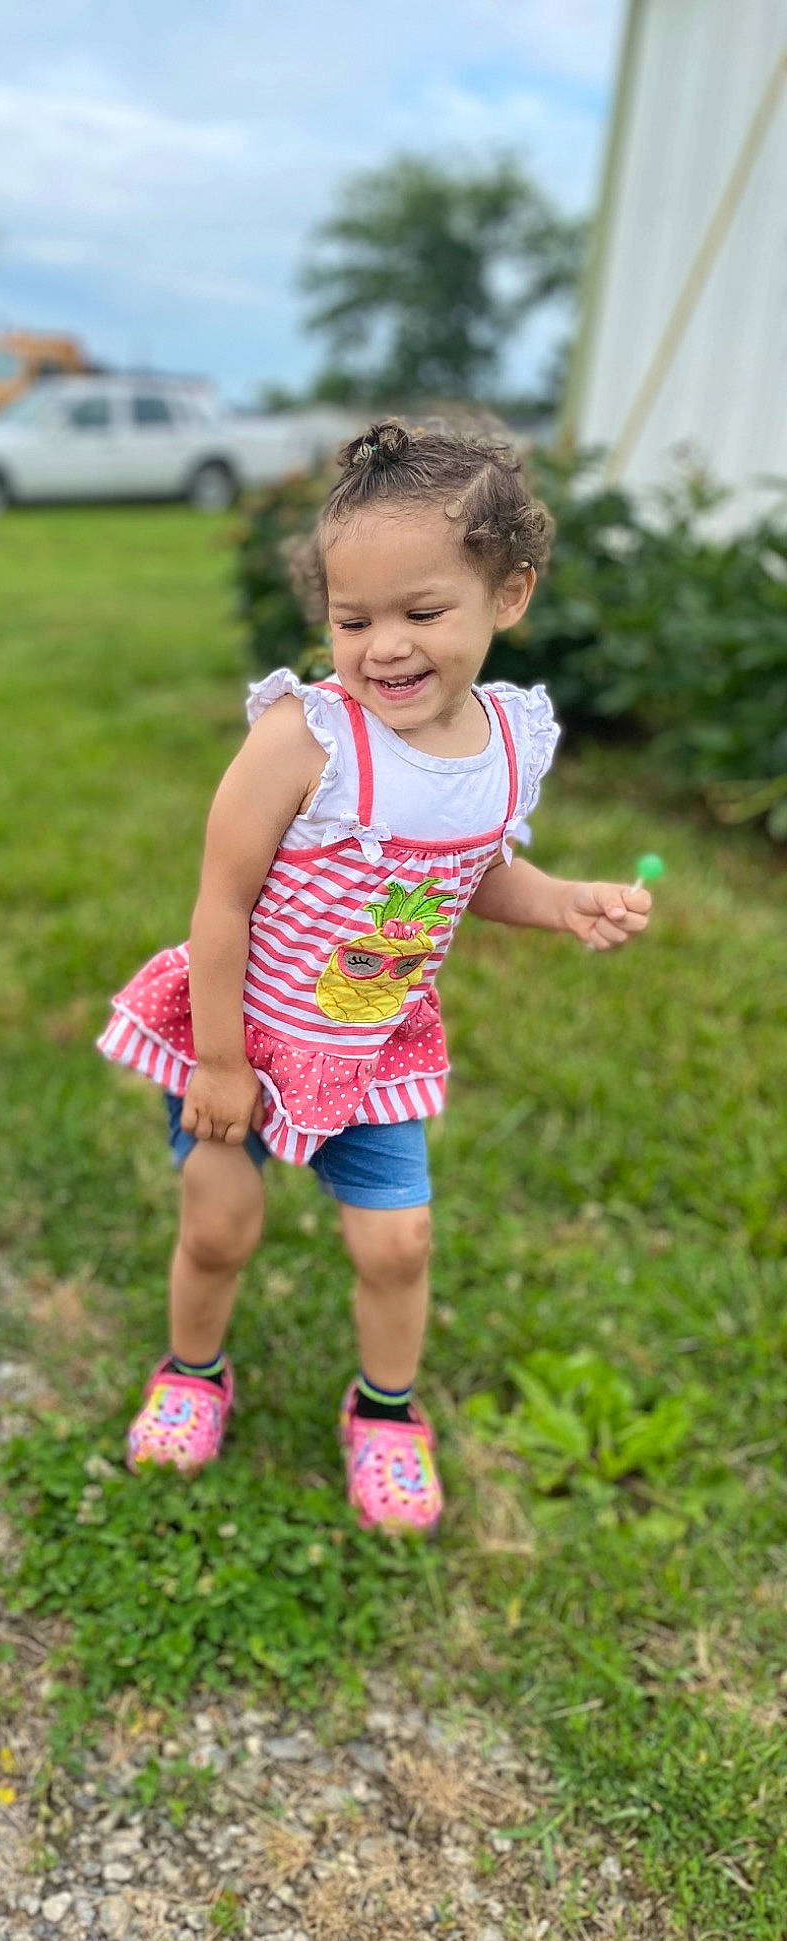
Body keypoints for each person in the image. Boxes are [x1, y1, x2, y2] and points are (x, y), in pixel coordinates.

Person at [99, 419, 652, 1531]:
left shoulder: (503, 743)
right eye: (354, 620)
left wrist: (564, 901)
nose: (385, 647)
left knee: (398, 1241)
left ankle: (387, 1410)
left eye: (423, 612)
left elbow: (479, 873)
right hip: (245, 1035)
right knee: (219, 1222)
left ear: (509, 595)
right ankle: (193, 1370)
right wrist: (215, 1059)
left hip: (371, 1048)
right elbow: (222, 903)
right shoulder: (306, 737)